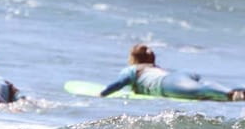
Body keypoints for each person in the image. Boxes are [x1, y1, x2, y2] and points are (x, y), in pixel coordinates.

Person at [100, 44, 245, 101]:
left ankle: (233, 94)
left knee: (199, 90)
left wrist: (101, 95)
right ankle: (235, 92)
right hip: (179, 75)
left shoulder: (132, 69)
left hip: (167, 83)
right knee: (204, 90)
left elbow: (118, 84)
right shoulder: (155, 68)